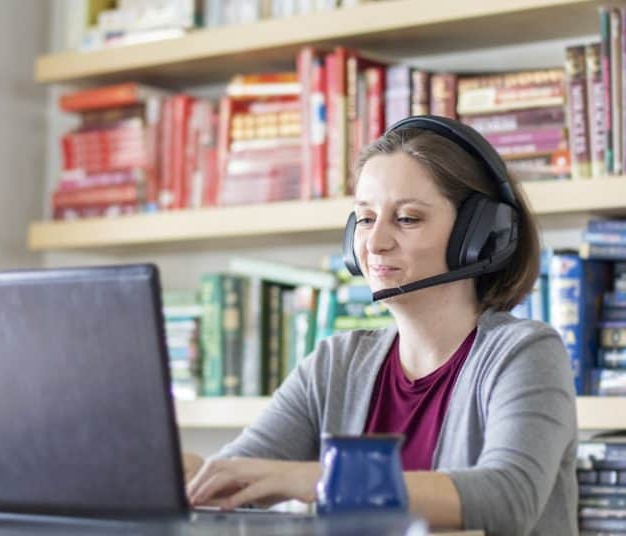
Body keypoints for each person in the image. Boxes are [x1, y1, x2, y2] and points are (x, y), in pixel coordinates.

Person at [183, 116, 577, 535]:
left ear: (479, 236)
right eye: (366, 219)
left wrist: (320, 480)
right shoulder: (336, 363)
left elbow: (507, 498)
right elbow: (234, 476)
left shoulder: (526, 353)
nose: (375, 243)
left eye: (407, 219)